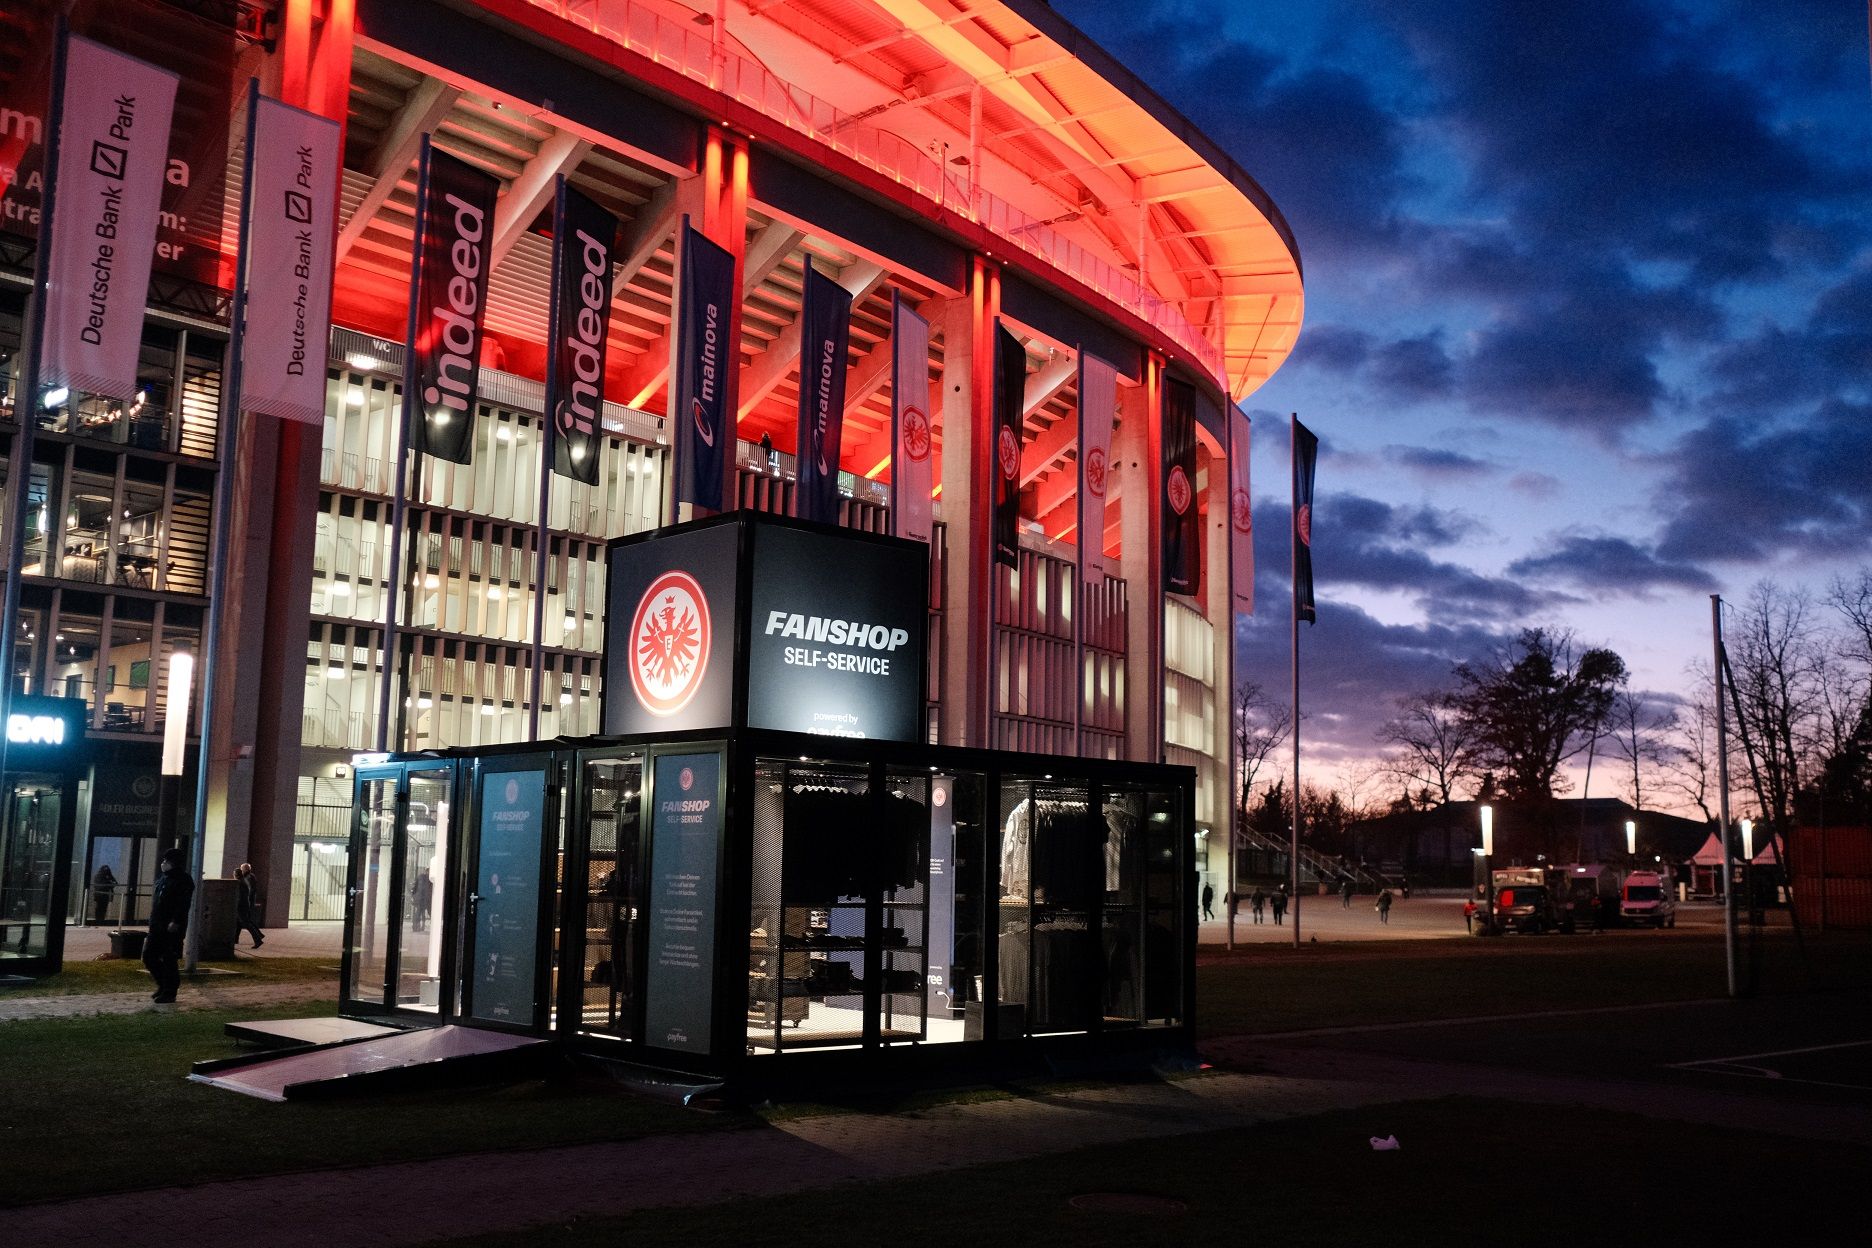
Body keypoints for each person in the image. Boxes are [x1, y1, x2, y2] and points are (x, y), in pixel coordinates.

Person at [144, 849, 194, 1003]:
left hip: (171, 927)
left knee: (169, 958)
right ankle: (162, 985)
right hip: (157, 925)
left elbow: (183, 904)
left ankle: (170, 991)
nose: (163, 864)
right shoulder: (163, 878)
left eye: (166, 861)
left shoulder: (183, 880)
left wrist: (176, 921)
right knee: (148, 956)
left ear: (173, 863)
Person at [233, 863, 264, 949]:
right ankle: (235, 939)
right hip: (245, 905)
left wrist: (237, 904)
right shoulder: (244, 880)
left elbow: (242, 896)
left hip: (242, 906)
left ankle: (258, 939)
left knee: (246, 923)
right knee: (239, 923)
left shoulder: (241, 882)